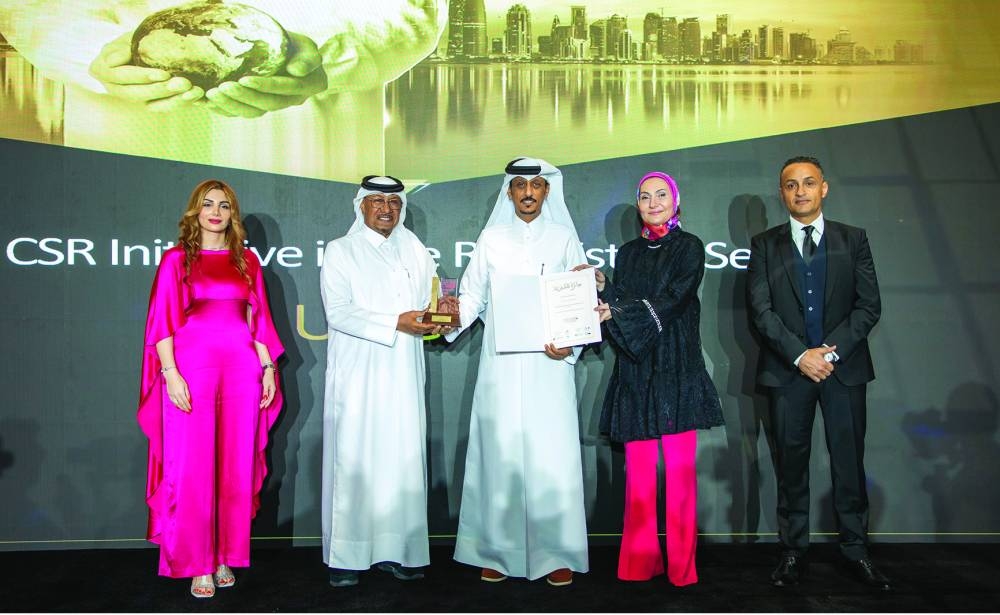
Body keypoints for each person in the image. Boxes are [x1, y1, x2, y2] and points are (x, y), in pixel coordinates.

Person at [0, 0, 446, 182]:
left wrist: (307, 51)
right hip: (122, 146)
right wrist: (95, 51)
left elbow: (414, 10)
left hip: (313, 153)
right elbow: (27, 8)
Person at [136, 179, 285, 598]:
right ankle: (197, 562)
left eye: (224, 205)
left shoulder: (247, 261)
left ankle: (223, 556)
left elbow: (258, 321)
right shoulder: (176, 260)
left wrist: (268, 368)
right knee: (192, 467)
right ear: (195, 211)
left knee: (233, 466)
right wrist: (171, 374)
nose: (216, 212)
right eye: (208, 204)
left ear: (232, 214)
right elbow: (161, 324)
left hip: (241, 371)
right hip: (192, 371)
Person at [747, 156, 890, 590]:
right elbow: (761, 310)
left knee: (849, 464)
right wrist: (799, 355)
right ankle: (793, 551)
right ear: (782, 193)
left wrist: (829, 355)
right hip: (788, 373)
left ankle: (856, 551)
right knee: (791, 466)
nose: (801, 191)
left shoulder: (853, 239)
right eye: (791, 185)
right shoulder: (764, 244)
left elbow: (869, 305)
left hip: (843, 372)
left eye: (809, 183)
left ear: (824, 188)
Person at [446, 157, 589, 587]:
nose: (528, 193)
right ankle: (496, 551)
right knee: (500, 452)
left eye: (536, 185)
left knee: (552, 456)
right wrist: (446, 319)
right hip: (502, 366)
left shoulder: (564, 238)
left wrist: (571, 345)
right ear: (508, 192)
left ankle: (557, 553)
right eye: (520, 185)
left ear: (547, 191)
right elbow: (472, 297)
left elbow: (579, 299)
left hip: (550, 364)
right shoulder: (491, 239)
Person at [319, 175, 454, 587]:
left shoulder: (415, 250)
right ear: (361, 205)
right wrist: (395, 322)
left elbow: (431, 307)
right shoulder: (341, 251)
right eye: (377, 201)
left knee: (401, 458)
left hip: (404, 372)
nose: (386, 209)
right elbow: (338, 312)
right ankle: (347, 557)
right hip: (358, 375)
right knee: (355, 458)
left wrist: (443, 316)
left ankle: (401, 552)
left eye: (394, 203)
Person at [594, 171, 724, 586]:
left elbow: (673, 299)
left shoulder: (690, 247)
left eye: (661, 195)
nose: (653, 203)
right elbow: (624, 300)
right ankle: (640, 562)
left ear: (675, 201)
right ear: (638, 205)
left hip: (677, 369)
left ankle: (682, 569)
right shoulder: (628, 253)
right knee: (639, 477)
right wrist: (605, 288)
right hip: (636, 371)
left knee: (681, 477)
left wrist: (619, 310)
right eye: (645, 197)